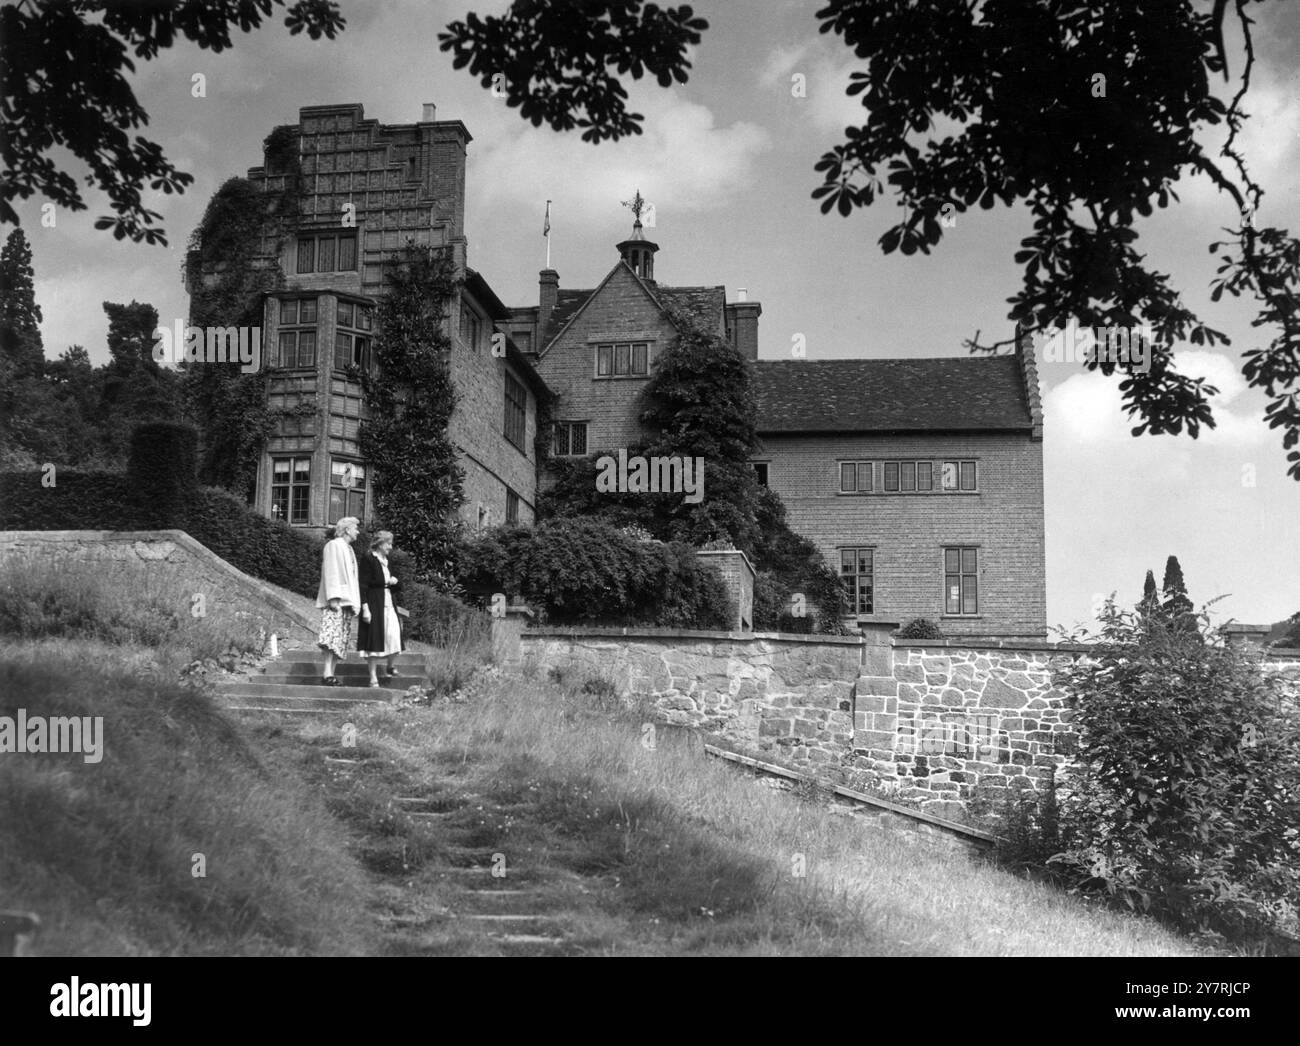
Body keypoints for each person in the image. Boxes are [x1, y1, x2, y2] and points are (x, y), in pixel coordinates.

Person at [316, 516, 361, 685]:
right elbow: (331, 571)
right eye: (355, 528)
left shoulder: (349, 549)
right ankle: (327, 673)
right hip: (335, 601)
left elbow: (352, 578)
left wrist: (354, 602)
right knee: (331, 638)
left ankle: (331, 674)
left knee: (340, 639)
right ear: (347, 529)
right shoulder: (333, 545)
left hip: (347, 602)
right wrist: (333, 597)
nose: (357, 531)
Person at [356, 530, 404, 687]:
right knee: (374, 638)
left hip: (389, 601)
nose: (390, 547)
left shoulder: (387, 560)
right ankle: (372, 677)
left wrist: (395, 582)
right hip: (374, 602)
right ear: (380, 543)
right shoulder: (369, 559)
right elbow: (362, 585)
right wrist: (365, 608)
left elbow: (397, 585)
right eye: (388, 544)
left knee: (395, 634)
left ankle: (390, 666)